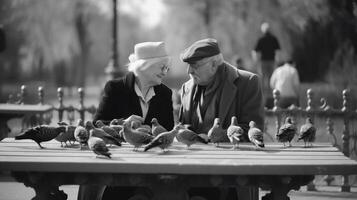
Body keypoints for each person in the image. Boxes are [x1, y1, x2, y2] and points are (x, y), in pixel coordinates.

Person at [78, 41, 174, 200]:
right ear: (145, 66)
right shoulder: (115, 88)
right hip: (116, 164)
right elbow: (95, 126)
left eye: (166, 68)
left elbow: (168, 129)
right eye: (161, 67)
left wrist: (148, 133)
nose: (165, 72)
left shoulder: (165, 93)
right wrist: (123, 123)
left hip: (152, 167)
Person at [179, 38, 264, 200]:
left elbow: (255, 132)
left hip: (234, 178)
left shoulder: (248, 82)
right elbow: (183, 127)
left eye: (195, 66)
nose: (189, 71)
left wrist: (222, 136)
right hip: (192, 176)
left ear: (214, 64)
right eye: (188, 65)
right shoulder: (186, 88)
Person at [252, 22, 281, 96]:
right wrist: (277, 60)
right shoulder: (274, 38)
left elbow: (255, 51)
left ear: (263, 30)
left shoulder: (261, 39)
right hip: (272, 61)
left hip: (263, 62)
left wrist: (256, 61)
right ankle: (272, 94)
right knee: (272, 78)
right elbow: (277, 51)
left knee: (264, 78)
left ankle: (264, 95)